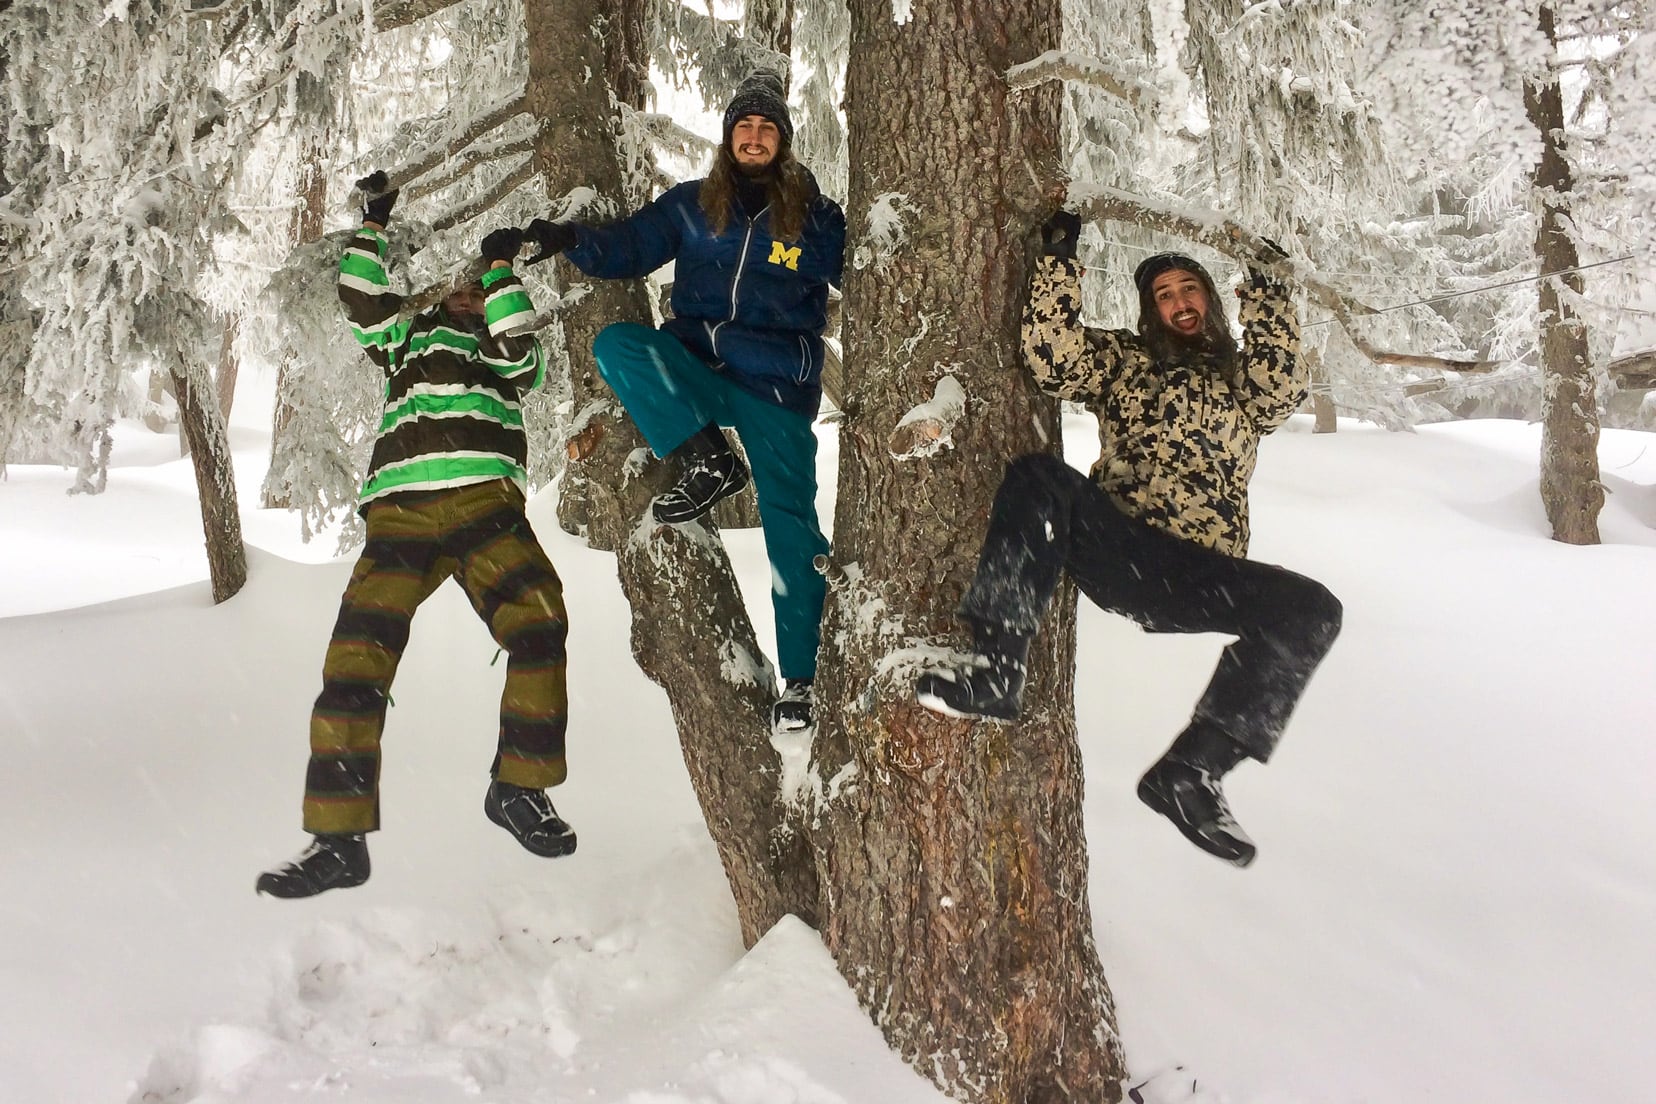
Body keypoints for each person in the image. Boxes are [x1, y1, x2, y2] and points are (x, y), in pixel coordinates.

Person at [915, 211, 1343, 868]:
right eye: (1164, 295)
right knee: (1040, 479)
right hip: (1124, 546)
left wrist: (1269, 288)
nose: (1179, 303)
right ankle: (998, 670)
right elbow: (1052, 358)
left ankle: (1192, 771)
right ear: (1150, 310)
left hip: (1201, 571)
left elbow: (1284, 385)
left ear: (1210, 297)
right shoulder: (1127, 359)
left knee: (1313, 609)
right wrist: (1060, 258)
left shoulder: (1243, 380)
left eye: (1189, 289)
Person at [256, 172, 576, 898]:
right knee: (353, 664)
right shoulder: (406, 334)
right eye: (460, 286)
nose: (467, 295)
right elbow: (363, 300)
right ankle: (337, 838)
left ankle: (518, 788)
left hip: (482, 503)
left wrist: (500, 269)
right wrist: (374, 223)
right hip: (398, 512)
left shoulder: (503, 347)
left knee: (538, 622)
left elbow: (523, 344)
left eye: (477, 290)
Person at [500, 70, 846, 735]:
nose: (754, 137)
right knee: (620, 346)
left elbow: (867, 267)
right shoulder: (693, 206)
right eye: (744, 127)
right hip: (700, 367)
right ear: (727, 138)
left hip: (776, 384)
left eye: (766, 128)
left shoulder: (812, 215)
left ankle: (802, 678)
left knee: (790, 529)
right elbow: (630, 248)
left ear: (783, 142)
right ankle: (707, 459)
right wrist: (571, 240)